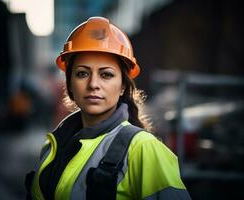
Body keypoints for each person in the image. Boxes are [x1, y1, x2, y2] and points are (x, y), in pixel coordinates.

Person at [26, 16, 191, 200]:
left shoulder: (144, 149)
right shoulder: (53, 145)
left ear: (122, 86)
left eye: (106, 74)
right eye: (82, 73)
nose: (93, 84)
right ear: (70, 84)